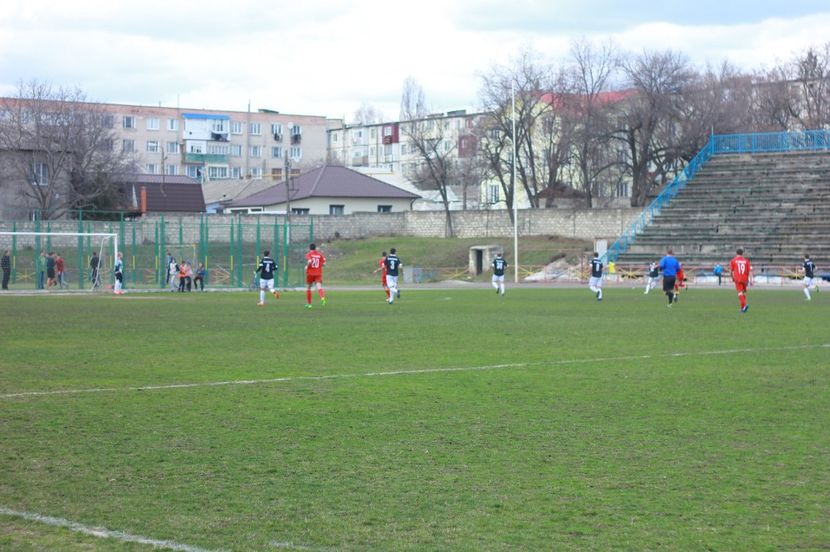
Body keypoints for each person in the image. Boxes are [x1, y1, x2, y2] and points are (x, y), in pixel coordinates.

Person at [729, 248, 752, 313]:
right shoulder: (746, 261)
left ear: (736, 253)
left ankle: (745, 304)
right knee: (742, 293)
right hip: (745, 278)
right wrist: (750, 280)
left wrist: (732, 277)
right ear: (742, 253)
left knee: (739, 293)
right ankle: (742, 309)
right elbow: (749, 271)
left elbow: (731, 271)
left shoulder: (733, 260)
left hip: (738, 278)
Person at [305, 243, 326, 308]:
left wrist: (307, 267)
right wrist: (319, 266)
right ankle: (322, 298)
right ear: (315, 248)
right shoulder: (320, 255)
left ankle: (309, 304)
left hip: (310, 273)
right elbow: (324, 264)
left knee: (308, 288)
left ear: (309, 248)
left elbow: (310, 261)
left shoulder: (308, 254)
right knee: (319, 286)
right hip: (318, 273)